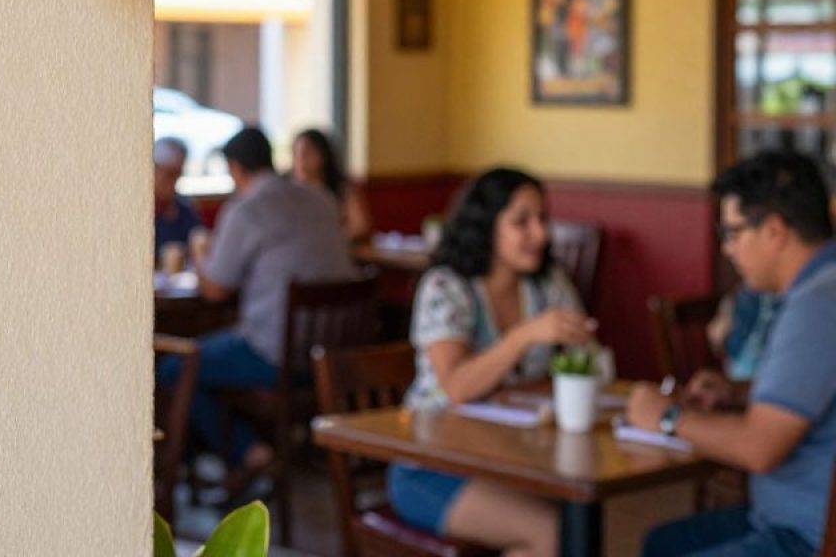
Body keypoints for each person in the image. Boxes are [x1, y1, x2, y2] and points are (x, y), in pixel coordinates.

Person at [628, 150, 836, 557]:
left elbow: (759, 448)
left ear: (774, 232)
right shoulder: (821, 287)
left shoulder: (817, 306)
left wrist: (666, 418)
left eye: (733, 233)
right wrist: (738, 393)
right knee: (663, 543)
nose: (727, 249)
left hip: (805, 539)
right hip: (788, 519)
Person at [387, 167, 596, 557]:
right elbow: (457, 387)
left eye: (543, 219)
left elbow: (582, 366)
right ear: (485, 226)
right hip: (432, 466)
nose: (540, 234)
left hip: (514, 460)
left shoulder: (548, 283)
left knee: (579, 527)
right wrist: (524, 335)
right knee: (552, 533)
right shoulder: (446, 286)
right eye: (522, 222)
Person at [157, 125, 354, 485]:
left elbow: (215, 289)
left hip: (276, 356)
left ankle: (250, 452)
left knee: (175, 367)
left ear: (235, 168)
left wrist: (200, 253)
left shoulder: (247, 209)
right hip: (334, 354)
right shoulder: (322, 198)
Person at [290, 127, 372, 242]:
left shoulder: (341, 189)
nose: (300, 161)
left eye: (306, 153)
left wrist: (329, 239)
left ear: (323, 155)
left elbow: (360, 226)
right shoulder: (288, 193)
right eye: (296, 154)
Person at [153, 137, 203, 263]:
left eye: (178, 174)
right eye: (169, 174)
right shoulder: (135, 211)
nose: (174, 182)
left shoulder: (185, 208)